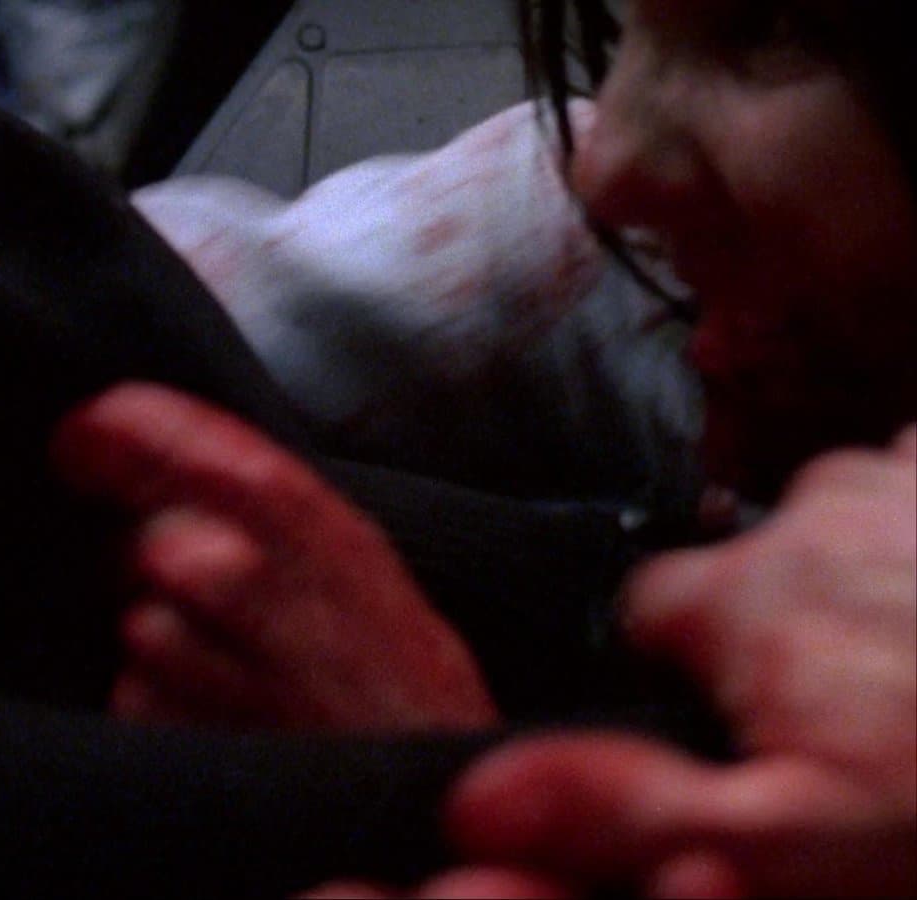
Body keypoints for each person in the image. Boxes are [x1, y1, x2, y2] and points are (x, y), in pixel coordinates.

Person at [58, 0, 915, 893]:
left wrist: (415, 782)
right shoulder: (634, 258)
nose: (606, 169)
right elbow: (139, 296)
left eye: (772, 29)